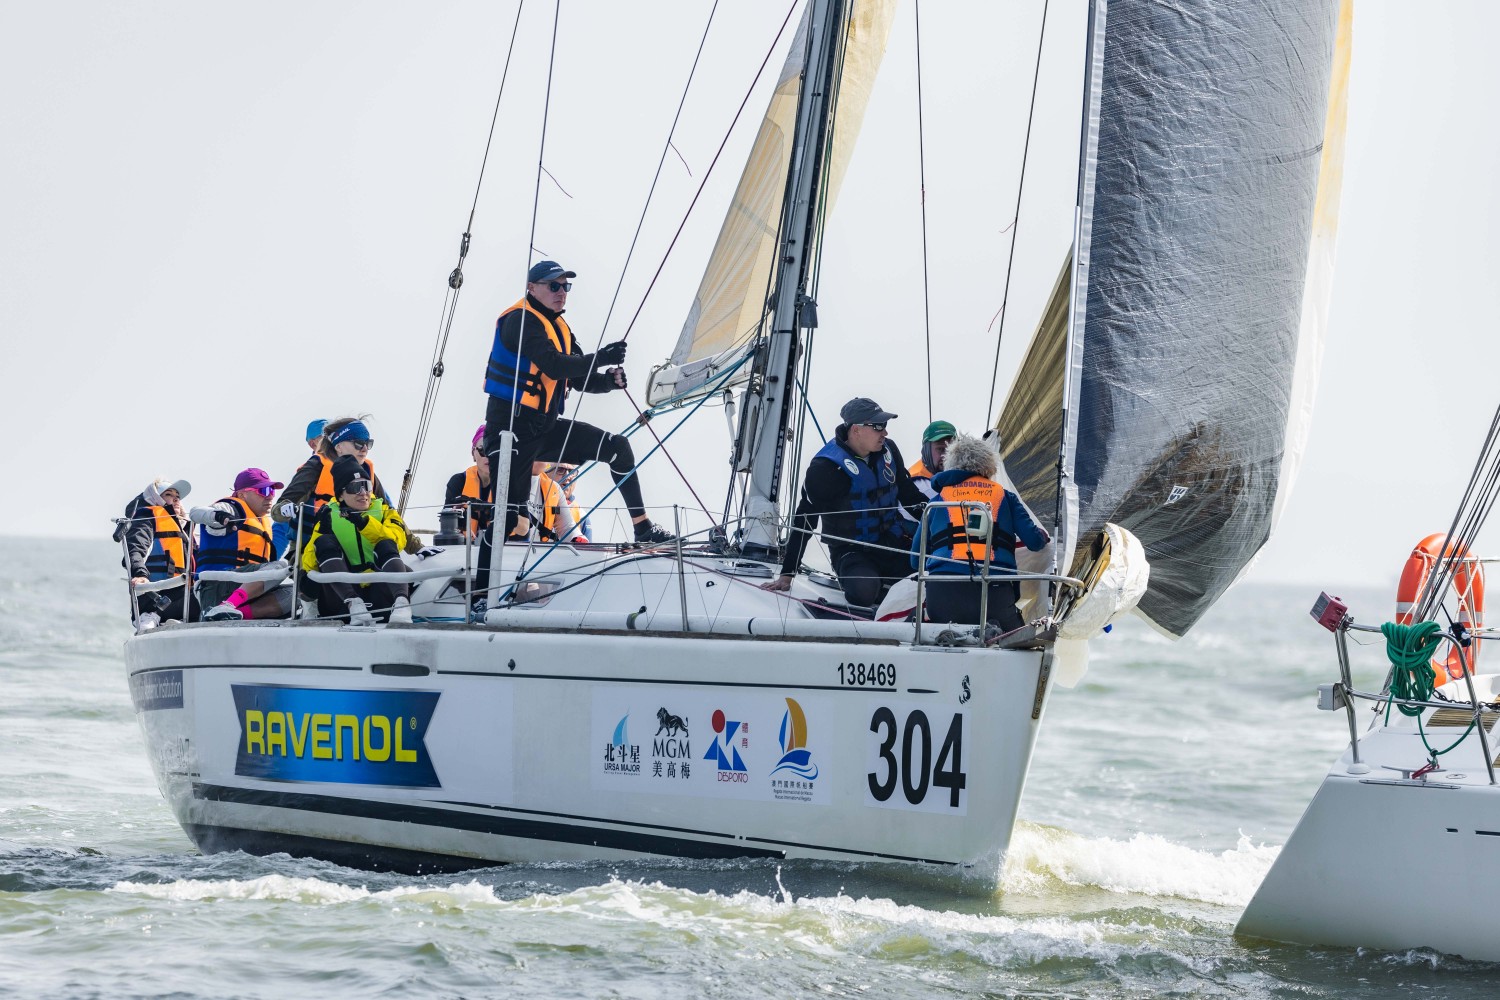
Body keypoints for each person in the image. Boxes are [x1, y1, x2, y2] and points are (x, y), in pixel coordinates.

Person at [479, 259, 672, 545]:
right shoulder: (519, 320)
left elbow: (578, 378)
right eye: (553, 286)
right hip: (511, 431)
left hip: (544, 428)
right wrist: (602, 357)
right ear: (531, 288)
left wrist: (608, 382)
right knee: (512, 521)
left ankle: (643, 530)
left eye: (565, 287)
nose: (561, 292)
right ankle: (484, 572)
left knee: (618, 448)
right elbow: (554, 365)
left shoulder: (562, 329)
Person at [767, 398, 928, 608]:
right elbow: (805, 520)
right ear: (856, 430)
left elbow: (909, 496)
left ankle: (891, 589)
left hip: (893, 543)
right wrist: (787, 573)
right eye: (878, 427)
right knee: (864, 592)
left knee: (932, 578)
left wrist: (940, 522)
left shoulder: (889, 451)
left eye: (885, 426)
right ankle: (885, 589)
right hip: (852, 552)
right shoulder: (825, 468)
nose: (885, 433)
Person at [910, 432, 1050, 632]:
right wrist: (1042, 535)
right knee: (1016, 638)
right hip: (993, 597)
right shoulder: (1005, 497)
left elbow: (915, 560)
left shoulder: (936, 502)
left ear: (951, 464)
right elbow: (1034, 543)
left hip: (942, 598)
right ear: (989, 465)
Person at [299, 455, 413, 625]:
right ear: (341, 495)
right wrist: (323, 531)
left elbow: (397, 540)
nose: (363, 493)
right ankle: (355, 605)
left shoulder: (386, 512)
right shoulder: (328, 516)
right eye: (355, 487)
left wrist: (364, 523)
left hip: (381, 594)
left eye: (366, 485)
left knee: (386, 543)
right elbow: (309, 565)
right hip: (344, 599)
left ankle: (402, 604)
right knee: (323, 543)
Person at [190, 468, 294, 622]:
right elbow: (195, 512)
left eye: (272, 491)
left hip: (245, 589)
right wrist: (218, 516)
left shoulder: (262, 523)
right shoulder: (230, 508)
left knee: (298, 593)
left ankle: (233, 614)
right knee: (279, 567)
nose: (270, 496)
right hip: (217, 585)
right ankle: (226, 606)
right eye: (263, 491)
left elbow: (279, 537)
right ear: (242, 494)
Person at [274, 416, 391, 533]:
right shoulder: (317, 465)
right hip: (315, 539)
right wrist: (283, 509)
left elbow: (389, 510)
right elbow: (278, 510)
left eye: (368, 443)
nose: (365, 449)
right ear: (338, 446)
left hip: (359, 540)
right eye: (358, 443)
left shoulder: (366, 469)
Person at [119, 477, 196, 626]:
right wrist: (140, 574)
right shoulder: (146, 518)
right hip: (154, 599)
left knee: (206, 592)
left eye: (177, 496)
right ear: (155, 499)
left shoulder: (184, 528)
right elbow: (135, 549)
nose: (176, 499)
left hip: (180, 594)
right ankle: (152, 615)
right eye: (168, 494)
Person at [271, 419, 326, 556]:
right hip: (308, 550)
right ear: (313, 444)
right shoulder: (307, 473)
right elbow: (282, 521)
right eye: (327, 436)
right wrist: (270, 562)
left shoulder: (354, 469)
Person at [445, 424, 493, 539]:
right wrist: (460, 521)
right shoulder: (458, 482)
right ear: (473, 454)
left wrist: (490, 510)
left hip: (504, 547)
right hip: (465, 546)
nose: (488, 456)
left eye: (493, 450)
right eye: (483, 450)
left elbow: (524, 527)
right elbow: (446, 519)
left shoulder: (511, 485)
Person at [907, 419, 956, 502]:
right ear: (926, 451)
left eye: (951, 449)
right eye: (940, 449)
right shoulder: (914, 483)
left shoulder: (967, 474)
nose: (947, 456)